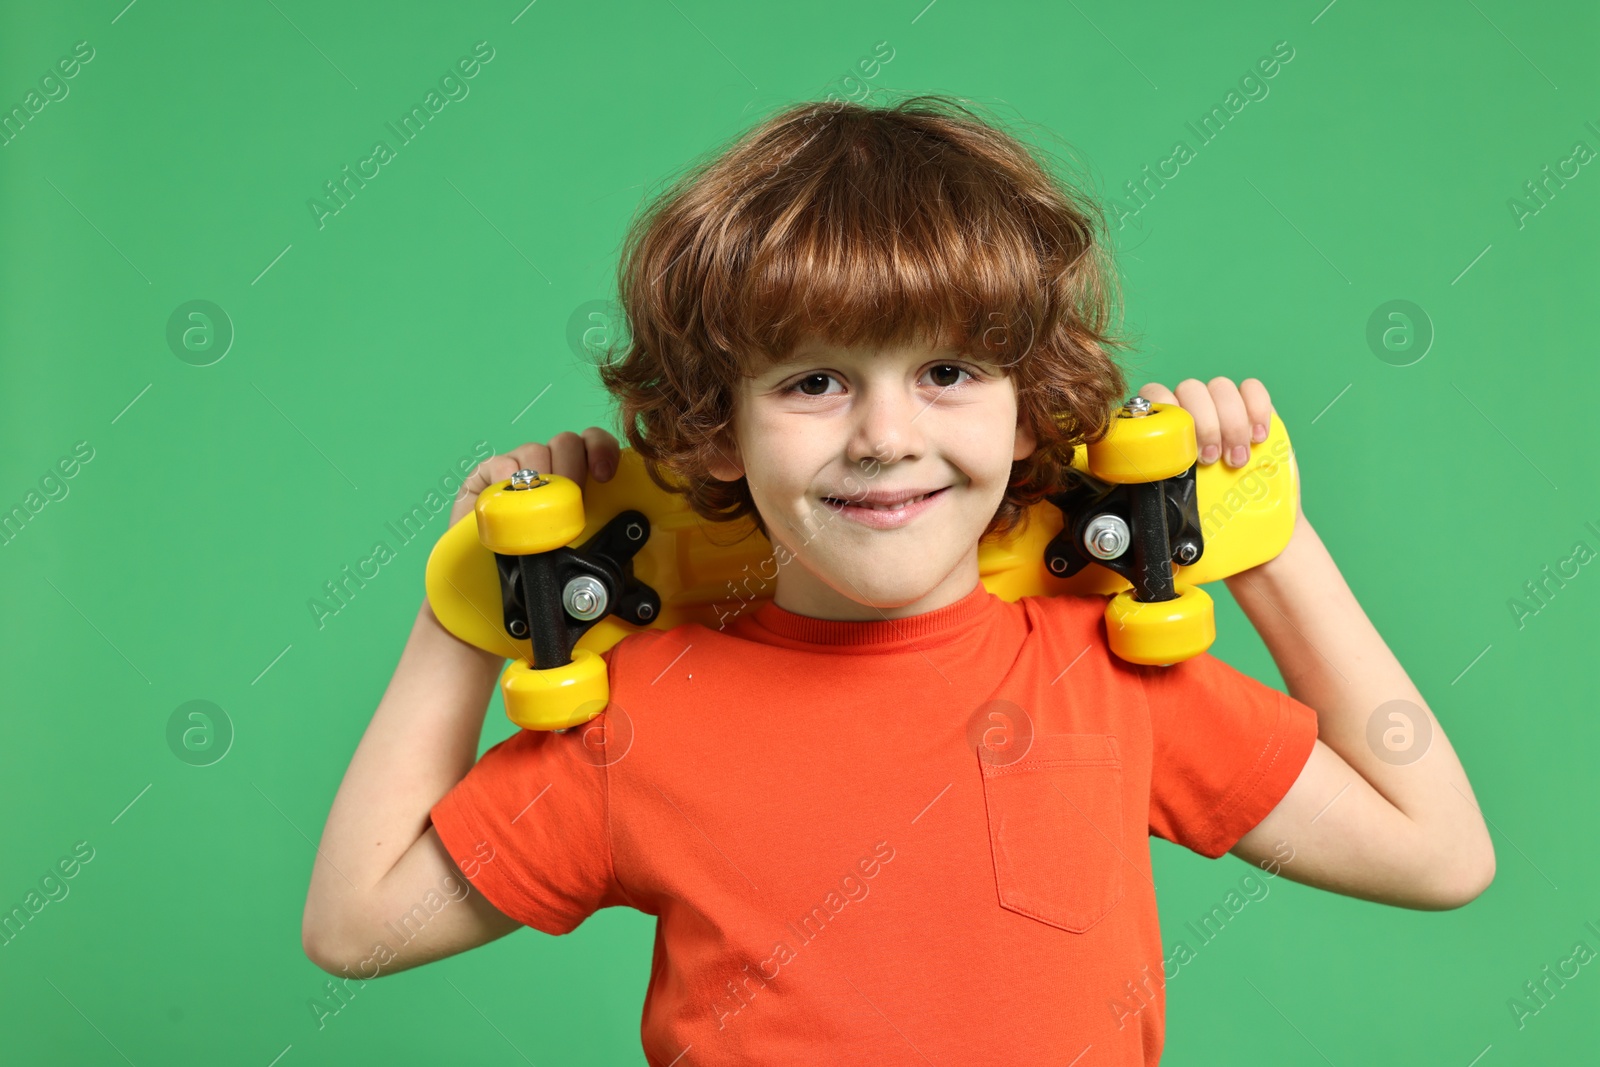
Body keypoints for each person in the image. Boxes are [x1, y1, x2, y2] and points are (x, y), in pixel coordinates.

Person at [301, 96, 1494, 1064]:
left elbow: (1435, 851)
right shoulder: (642, 715)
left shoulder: (1106, 671)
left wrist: (1258, 532)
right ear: (717, 430)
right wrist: (476, 597)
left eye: (947, 370)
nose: (884, 434)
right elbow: (356, 923)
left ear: (1031, 407)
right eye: (813, 381)